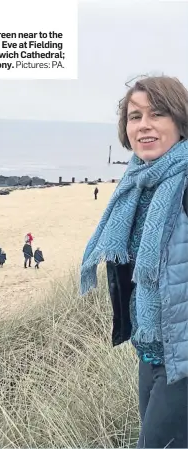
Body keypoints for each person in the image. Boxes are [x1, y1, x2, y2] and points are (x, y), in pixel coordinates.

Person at [80, 76, 188, 449]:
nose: (144, 125)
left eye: (157, 113)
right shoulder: (138, 183)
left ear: (180, 120)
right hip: (150, 348)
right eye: (134, 116)